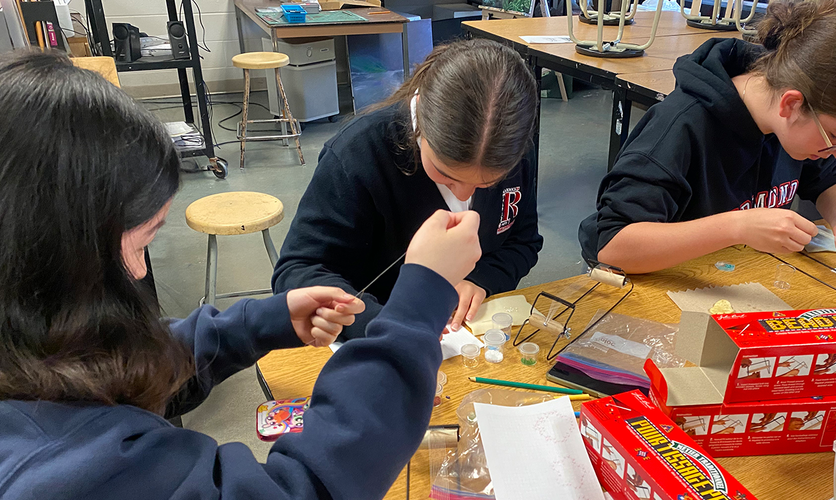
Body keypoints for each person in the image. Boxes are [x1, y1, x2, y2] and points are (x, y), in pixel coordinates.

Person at [0, 50, 483, 499]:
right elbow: (304, 488)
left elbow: (114, 362)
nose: (143, 269)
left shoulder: (27, 350)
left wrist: (258, 323)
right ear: (54, 259)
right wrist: (421, 300)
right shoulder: (66, 470)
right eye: (144, 240)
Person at [578, 0, 836, 273]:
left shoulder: (796, 125)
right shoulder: (681, 126)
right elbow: (613, 244)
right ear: (791, 104)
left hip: (732, 275)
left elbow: (831, 181)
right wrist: (737, 227)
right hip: (653, 281)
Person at [273, 39, 543, 338]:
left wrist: (482, 279)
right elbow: (298, 270)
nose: (466, 195)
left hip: (467, 337)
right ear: (420, 128)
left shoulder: (508, 148)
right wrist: (386, 323)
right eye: (445, 174)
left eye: (487, 183)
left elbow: (523, 240)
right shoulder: (358, 155)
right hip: (374, 338)